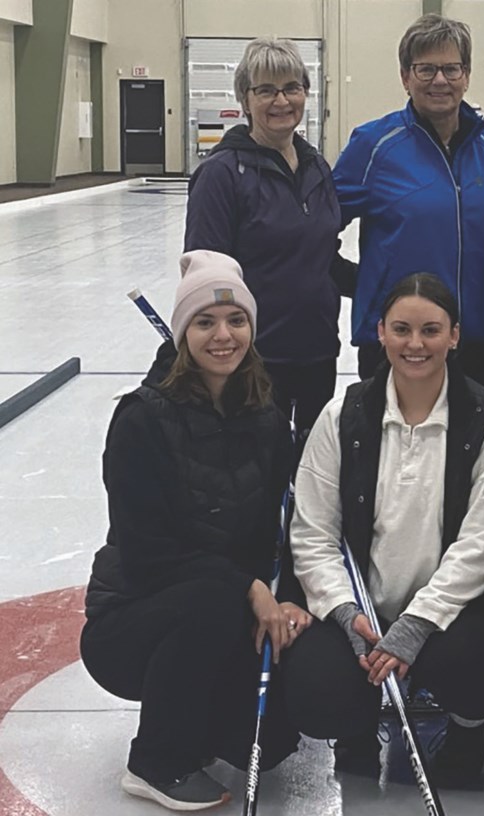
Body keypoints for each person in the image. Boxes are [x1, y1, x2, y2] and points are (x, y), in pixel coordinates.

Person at [80, 250, 309, 811]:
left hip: (219, 611)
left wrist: (287, 598)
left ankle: (202, 723)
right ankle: (155, 759)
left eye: (236, 321)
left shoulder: (266, 417)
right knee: (212, 596)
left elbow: (282, 527)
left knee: (270, 743)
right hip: (133, 621)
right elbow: (146, 551)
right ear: (182, 332)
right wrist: (247, 588)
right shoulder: (142, 418)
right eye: (204, 322)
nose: (223, 335)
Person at [282, 273, 484, 786]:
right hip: (361, 611)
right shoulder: (341, 415)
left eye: (431, 330)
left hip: (449, 614)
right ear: (381, 332)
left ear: (454, 335)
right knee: (312, 685)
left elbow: (482, 543)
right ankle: (356, 723)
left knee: (473, 667)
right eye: (402, 329)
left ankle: (467, 726)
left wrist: (417, 624)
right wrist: (345, 613)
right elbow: (313, 535)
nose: (416, 344)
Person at [334, 14, 484, 391]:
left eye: (451, 68)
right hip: (398, 342)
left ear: (466, 74)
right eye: (426, 69)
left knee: (471, 449)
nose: (440, 81)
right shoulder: (373, 146)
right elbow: (317, 227)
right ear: (405, 76)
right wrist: (363, 283)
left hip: (476, 341)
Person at [185, 37, 344, 455]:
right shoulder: (222, 174)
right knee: (253, 476)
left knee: (314, 475)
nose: (281, 100)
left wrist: (392, 285)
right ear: (244, 98)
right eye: (266, 90)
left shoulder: (316, 167)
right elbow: (205, 276)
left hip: (317, 351)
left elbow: (325, 259)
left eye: (292, 87)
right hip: (253, 359)